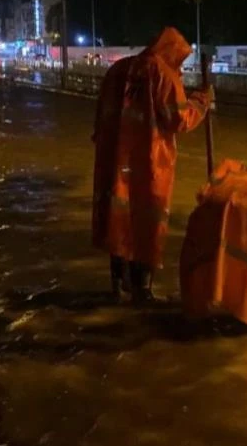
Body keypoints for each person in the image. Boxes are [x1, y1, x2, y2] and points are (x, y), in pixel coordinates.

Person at [91, 27, 213, 304]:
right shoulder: (163, 73)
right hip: (148, 161)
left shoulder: (117, 70)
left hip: (114, 158)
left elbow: (100, 116)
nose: (180, 68)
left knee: (118, 218)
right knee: (147, 220)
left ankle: (117, 286)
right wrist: (202, 101)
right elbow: (179, 119)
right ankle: (141, 291)